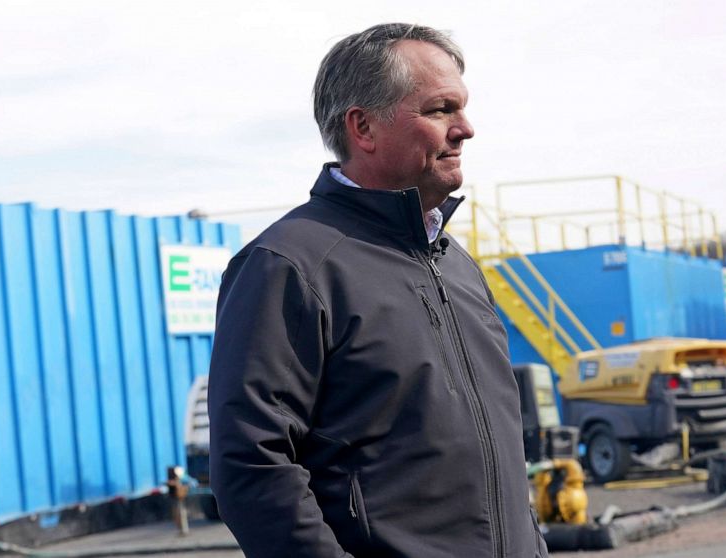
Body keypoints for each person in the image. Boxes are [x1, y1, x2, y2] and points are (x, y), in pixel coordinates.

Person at [208, 23, 548, 558]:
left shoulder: (457, 265)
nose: (466, 128)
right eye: (440, 110)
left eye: (462, 108)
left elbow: (496, 455)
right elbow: (253, 467)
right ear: (363, 127)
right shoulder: (289, 266)